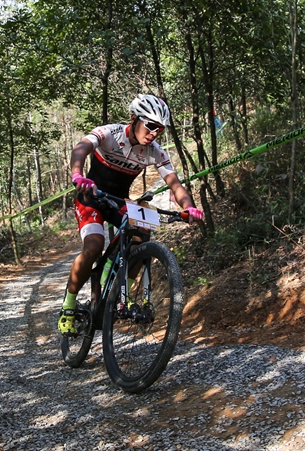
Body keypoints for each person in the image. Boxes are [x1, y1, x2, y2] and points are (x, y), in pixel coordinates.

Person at [59, 94, 204, 335]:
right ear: (134, 119)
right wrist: (77, 174)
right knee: (94, 246)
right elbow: (81, 148)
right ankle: (68, 306)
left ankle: (114, 290)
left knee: (143, 232)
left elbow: (175, 184)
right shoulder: (111, 133)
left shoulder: (154, 151)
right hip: (91, 198)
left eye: (161, 129)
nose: (155, 133)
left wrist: (188, 207)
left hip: (118, 201)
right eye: (151, 126)